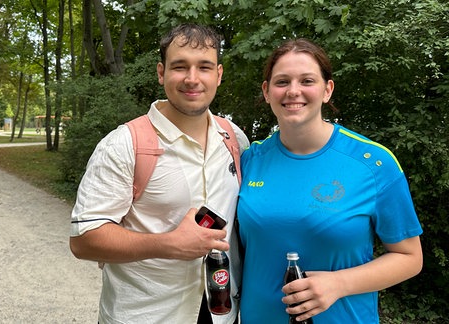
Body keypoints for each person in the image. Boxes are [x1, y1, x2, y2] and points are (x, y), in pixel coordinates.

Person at [69, 23, 249, 324]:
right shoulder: (123, 144)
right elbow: (83, 239)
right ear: (161, 72)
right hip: (145, 316)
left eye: (204, 67)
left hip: (221, 314)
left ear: (218, 74)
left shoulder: (234, 140)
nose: (193, 79)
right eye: (180, 66)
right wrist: (170, 244)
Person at [236, 38, 423, 323]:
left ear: (327, 89)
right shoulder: (250, 159)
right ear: (266, 91)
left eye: (307, 80)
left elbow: (410, 258)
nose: (293, 91)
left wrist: (339, 284)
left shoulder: (373, 163)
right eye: (282, 81)